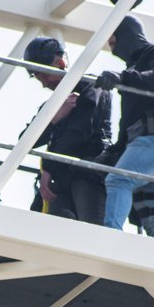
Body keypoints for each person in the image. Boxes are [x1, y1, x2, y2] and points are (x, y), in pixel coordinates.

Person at [96, 16, 154, 240]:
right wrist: (115, 149)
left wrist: (122, 77)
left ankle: (111, 238)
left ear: (126, 34)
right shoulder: (133, 72)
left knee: (119, 179)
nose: (110, 43)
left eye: (113, 36)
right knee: (150, 199)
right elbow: (128, 122)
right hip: (148, 146)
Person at [21, 35, 111, 224]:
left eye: (43, 73)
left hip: (86, 172)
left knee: (92, 231)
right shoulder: (52, 105)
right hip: (60, 180)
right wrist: (52, 118)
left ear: (61, 62)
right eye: (37, 76)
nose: (42, 82)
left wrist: (48, 168)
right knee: (52, 230)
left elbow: (79, 133)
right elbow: (25, 140)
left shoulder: (92, 88)